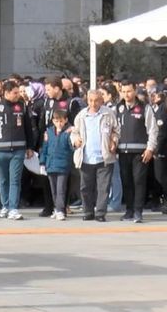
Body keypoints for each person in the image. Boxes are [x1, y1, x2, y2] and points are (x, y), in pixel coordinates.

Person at [0, 81, 36, 220]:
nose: (17, 95)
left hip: (18, 150)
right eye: (15, 93)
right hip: (0, 150)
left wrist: (30, 147)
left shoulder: (22, 107)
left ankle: (13, 208)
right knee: (3, 180)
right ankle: (5, 206)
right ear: (6, 93)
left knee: (15, 179)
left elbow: (28, 128)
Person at [71, 89, 120, 222]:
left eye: (96, 100)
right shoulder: (81, 115)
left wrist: (114, 140)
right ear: (87, 100)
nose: (93, 103)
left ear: (101, 100)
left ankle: (100, 213)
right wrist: (75, 139)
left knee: (103, 187)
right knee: (85, 187)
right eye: (91, 100)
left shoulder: (108, 114)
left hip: (104, 157)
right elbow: (74, 132)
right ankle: (87, 211)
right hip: (86, 157)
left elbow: (116, 130)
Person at [115, 80, 158, 223]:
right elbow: (114, 130)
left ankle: (138, 212)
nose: (126, 94)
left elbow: (152, 130)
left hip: (140, 152)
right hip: (122, 151)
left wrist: (150, 148)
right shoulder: (117, 108)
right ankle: (129, 210)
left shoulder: (145, 108)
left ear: (135, 91)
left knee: (139, 181)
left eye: (129, 91)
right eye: (123, 91)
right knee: (126, 182)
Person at [39, 111, 73, 221]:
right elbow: (44, 149)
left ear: (65, 120)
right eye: (56, 121)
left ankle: (60, 210)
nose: (59, 123)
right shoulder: (48, 132)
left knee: (61, 189)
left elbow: (72, 147)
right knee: (53, 190)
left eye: (61, 121)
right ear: (53, 121)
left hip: (63, 166)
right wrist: (42, 163)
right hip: (50, 165)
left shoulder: (69, 132)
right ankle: (56, 208)